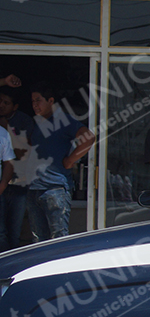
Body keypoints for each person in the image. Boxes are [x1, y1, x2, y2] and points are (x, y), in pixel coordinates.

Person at [27, 84, 95, 242]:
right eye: (32, 101)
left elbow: (88, 137)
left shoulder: (62, 120)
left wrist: (70, 160)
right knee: (38, 240)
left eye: (39, 100)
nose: (35, 105)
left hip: (54, 188)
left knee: (58, 238)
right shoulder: (38, 123)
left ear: (50, 101)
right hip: (34, 188)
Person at [0, 87, 32, 250]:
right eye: (0, 101)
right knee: (1, 231)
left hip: (19, 183)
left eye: (6, 103)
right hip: (3, 184)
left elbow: (26, 152)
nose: (1, 106)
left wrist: (7, 129)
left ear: (15, 106)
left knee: (14, 230)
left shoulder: (24, 121)